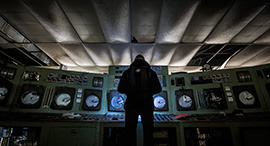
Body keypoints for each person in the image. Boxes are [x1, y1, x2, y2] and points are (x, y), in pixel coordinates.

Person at [117, 54, 162, 146]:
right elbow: (158, 89)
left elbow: (120, 89)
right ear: (144, 60)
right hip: (147, 106)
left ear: (134, 61)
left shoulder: (127, 72)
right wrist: (148, 93)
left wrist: (130, 92)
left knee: (130, 131)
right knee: (148, 131)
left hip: (131, 106)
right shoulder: (151, 72)